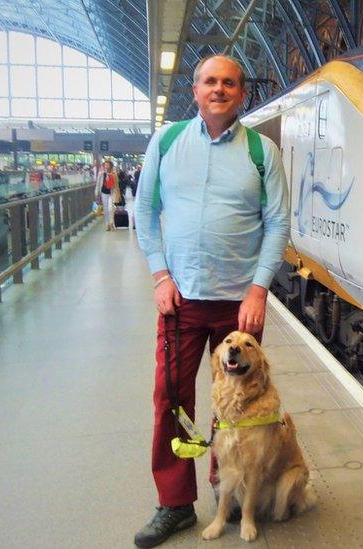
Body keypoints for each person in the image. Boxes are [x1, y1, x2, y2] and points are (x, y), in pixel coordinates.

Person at [132, 54, 289, 548]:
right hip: (180, 302)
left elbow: (278, 223)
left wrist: (260, 287)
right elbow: (144, 208)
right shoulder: (168, 141)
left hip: (239, 307)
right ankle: (176, 504)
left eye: (229, 83)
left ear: (242, 94)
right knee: (171, 400)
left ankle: (232, 490)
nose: (219, 89)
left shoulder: (262, 152)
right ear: (194, 91)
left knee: (241, 405)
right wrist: (160, 275)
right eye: (209, 81)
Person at [94, 159, 118, 230]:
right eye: (105, 165)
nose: (106, 166)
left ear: (110, 166)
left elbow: (116, 184)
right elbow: (98, 183)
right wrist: (96, 192)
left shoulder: (113, 173)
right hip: (104, 192)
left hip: (111, 193)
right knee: (106, 209)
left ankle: (111, 223)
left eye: (108, 165)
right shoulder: (101, 173)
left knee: (110, 208)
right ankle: (107, 224)